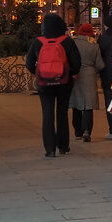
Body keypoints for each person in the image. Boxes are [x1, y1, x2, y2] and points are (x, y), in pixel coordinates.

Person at [26, 13, 81, 158]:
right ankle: (63, 146)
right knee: (62, 113)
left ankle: (50, 149)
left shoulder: (38, 42)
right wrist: (71, 73)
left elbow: (29, 63)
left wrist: (39, 72)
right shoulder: (67, 41)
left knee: (47, 114)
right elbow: (76, 62)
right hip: (64, 82)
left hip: (44, 83)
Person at [68, 23, 104, 142]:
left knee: (76, 104)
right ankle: (87, 131)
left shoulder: (73, 42)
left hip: (75, 75)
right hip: (89, 75)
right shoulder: (94, 45)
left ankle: (77, 131)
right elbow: (100, 64)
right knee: (88, 105)